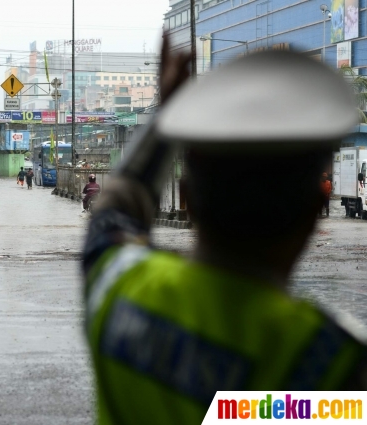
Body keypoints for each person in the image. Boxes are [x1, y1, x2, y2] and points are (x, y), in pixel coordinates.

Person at [83, 38, 367, 425]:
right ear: (317, 209)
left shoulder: (118, 287)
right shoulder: (333, 369)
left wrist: (168, 116)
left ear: (186, 200)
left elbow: (115, 208)